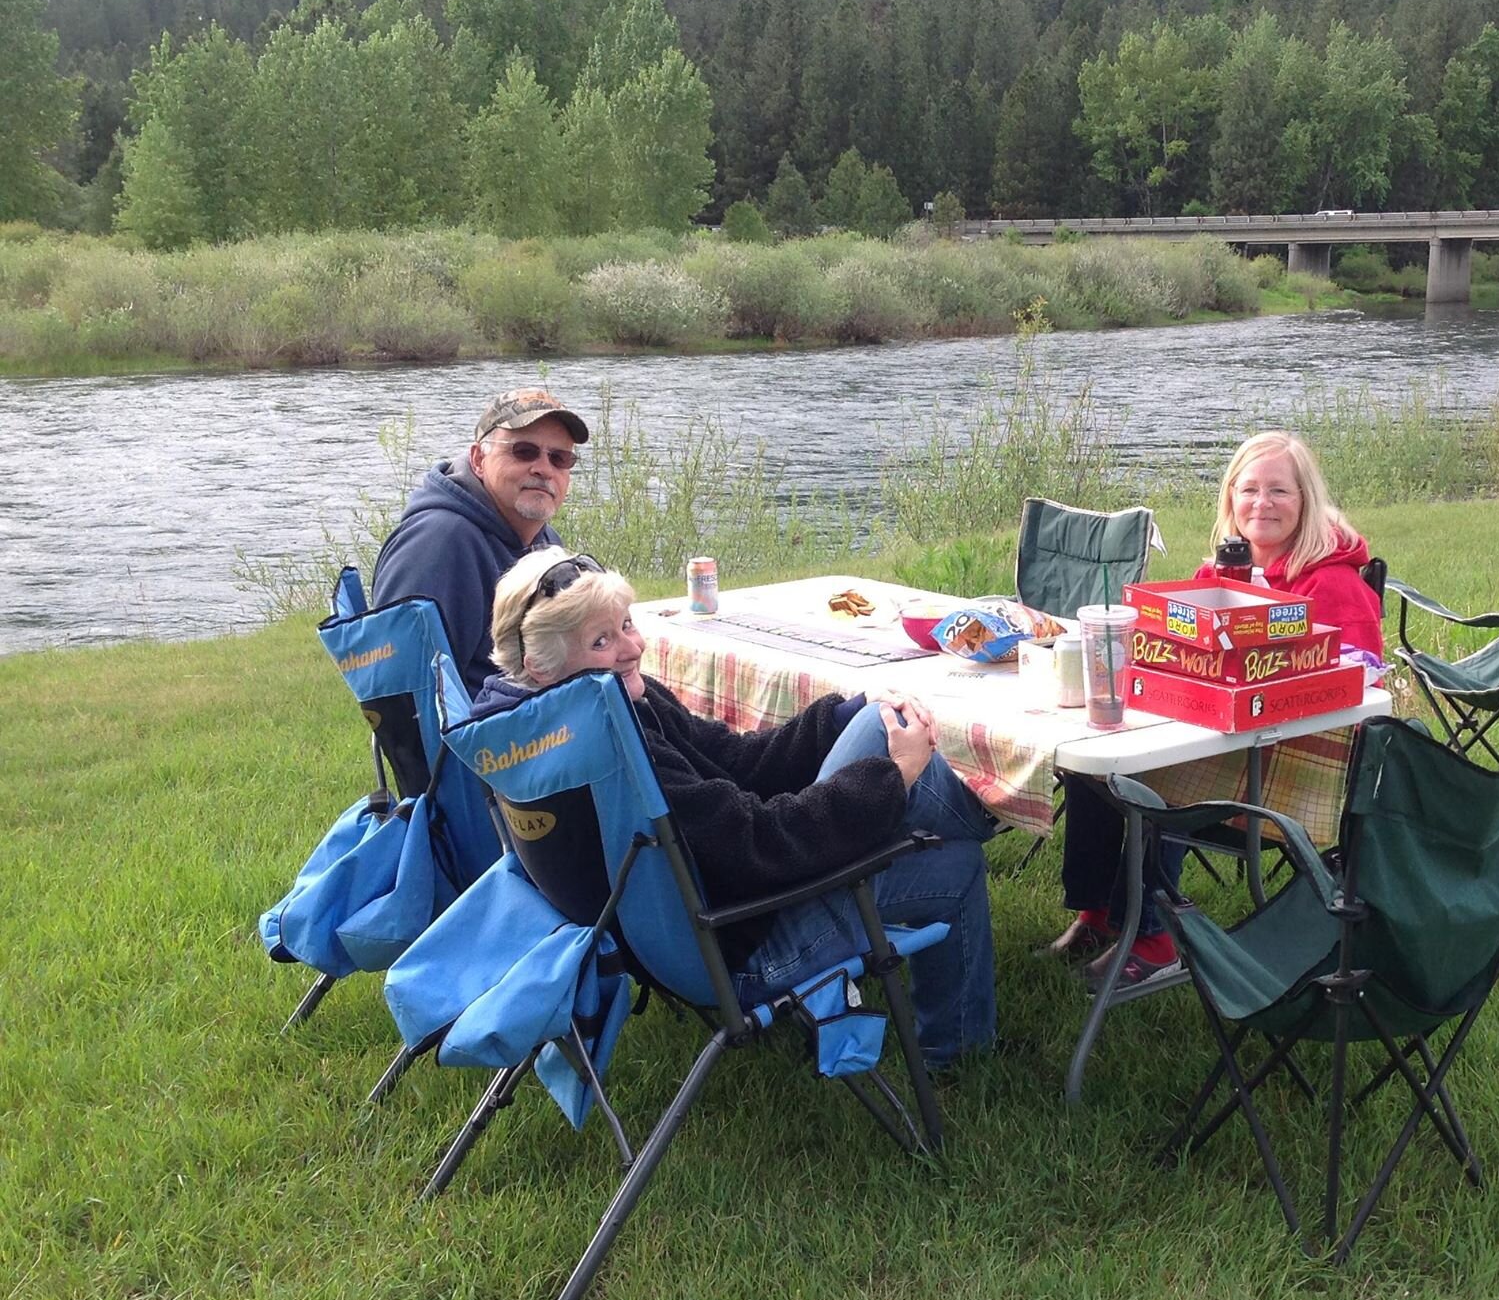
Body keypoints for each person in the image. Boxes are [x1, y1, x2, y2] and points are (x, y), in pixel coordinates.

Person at [475, 548, 998, 1071]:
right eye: (601, 640)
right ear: (542, 666)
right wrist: (893, 778)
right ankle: (959, 1051)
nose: (632, 646)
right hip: (734, 951)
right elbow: (762, 842)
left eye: (626, 624)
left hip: (672, 936)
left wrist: (838, 716)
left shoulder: (536, 732)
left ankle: (974, 805)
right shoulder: (618, 754)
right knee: (954, 859)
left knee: (875, 722)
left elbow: (733, 760)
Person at [1050, 430, 1383, 992]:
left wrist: (1275, 667)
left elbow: (1363, 676)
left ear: (1306, 500)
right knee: (1092, 758)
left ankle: (1154, 937)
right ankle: (1100, 912)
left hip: (1290, 754)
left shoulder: (1332, 580)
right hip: (1213, 727)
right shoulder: (1221, 575)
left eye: (1279, 490)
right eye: (1248, 489)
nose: (1262, 504)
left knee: (1160, 771)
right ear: (1230, 498)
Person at [372, 388, 590, 694]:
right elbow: (402, 695)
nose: (544, 468)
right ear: (478, 459)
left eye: (560, 458)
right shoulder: (438, 544)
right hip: (488, 738)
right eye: (524, 451)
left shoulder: (543, 540)